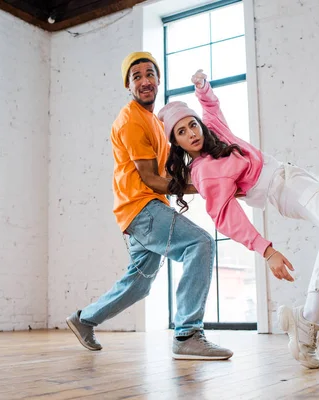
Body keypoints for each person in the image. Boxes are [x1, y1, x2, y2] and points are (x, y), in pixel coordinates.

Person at [159, 69, 319, 369]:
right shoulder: (204, 171)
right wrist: (266, 250)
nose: (191, 133)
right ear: (176, 143)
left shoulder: (216, 133)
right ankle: (308, 320)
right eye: (181, 132)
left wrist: (202, 87)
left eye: (191, 125)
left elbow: (211, 107)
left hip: (295, 174)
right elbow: (225, 216)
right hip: (282, 187)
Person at [65, 53, 233, 360]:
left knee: (139, 284)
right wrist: (205, 188)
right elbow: (151, 180)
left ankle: (84, 319)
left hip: (141, 210)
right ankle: (187, 334)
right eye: (136, 77)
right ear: (128, 86)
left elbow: (170, 172)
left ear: (158, 80)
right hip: (142, 207)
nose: (145, 81)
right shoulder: (130, 121)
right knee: (201, 243)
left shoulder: (155, 122)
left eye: (150, 74)